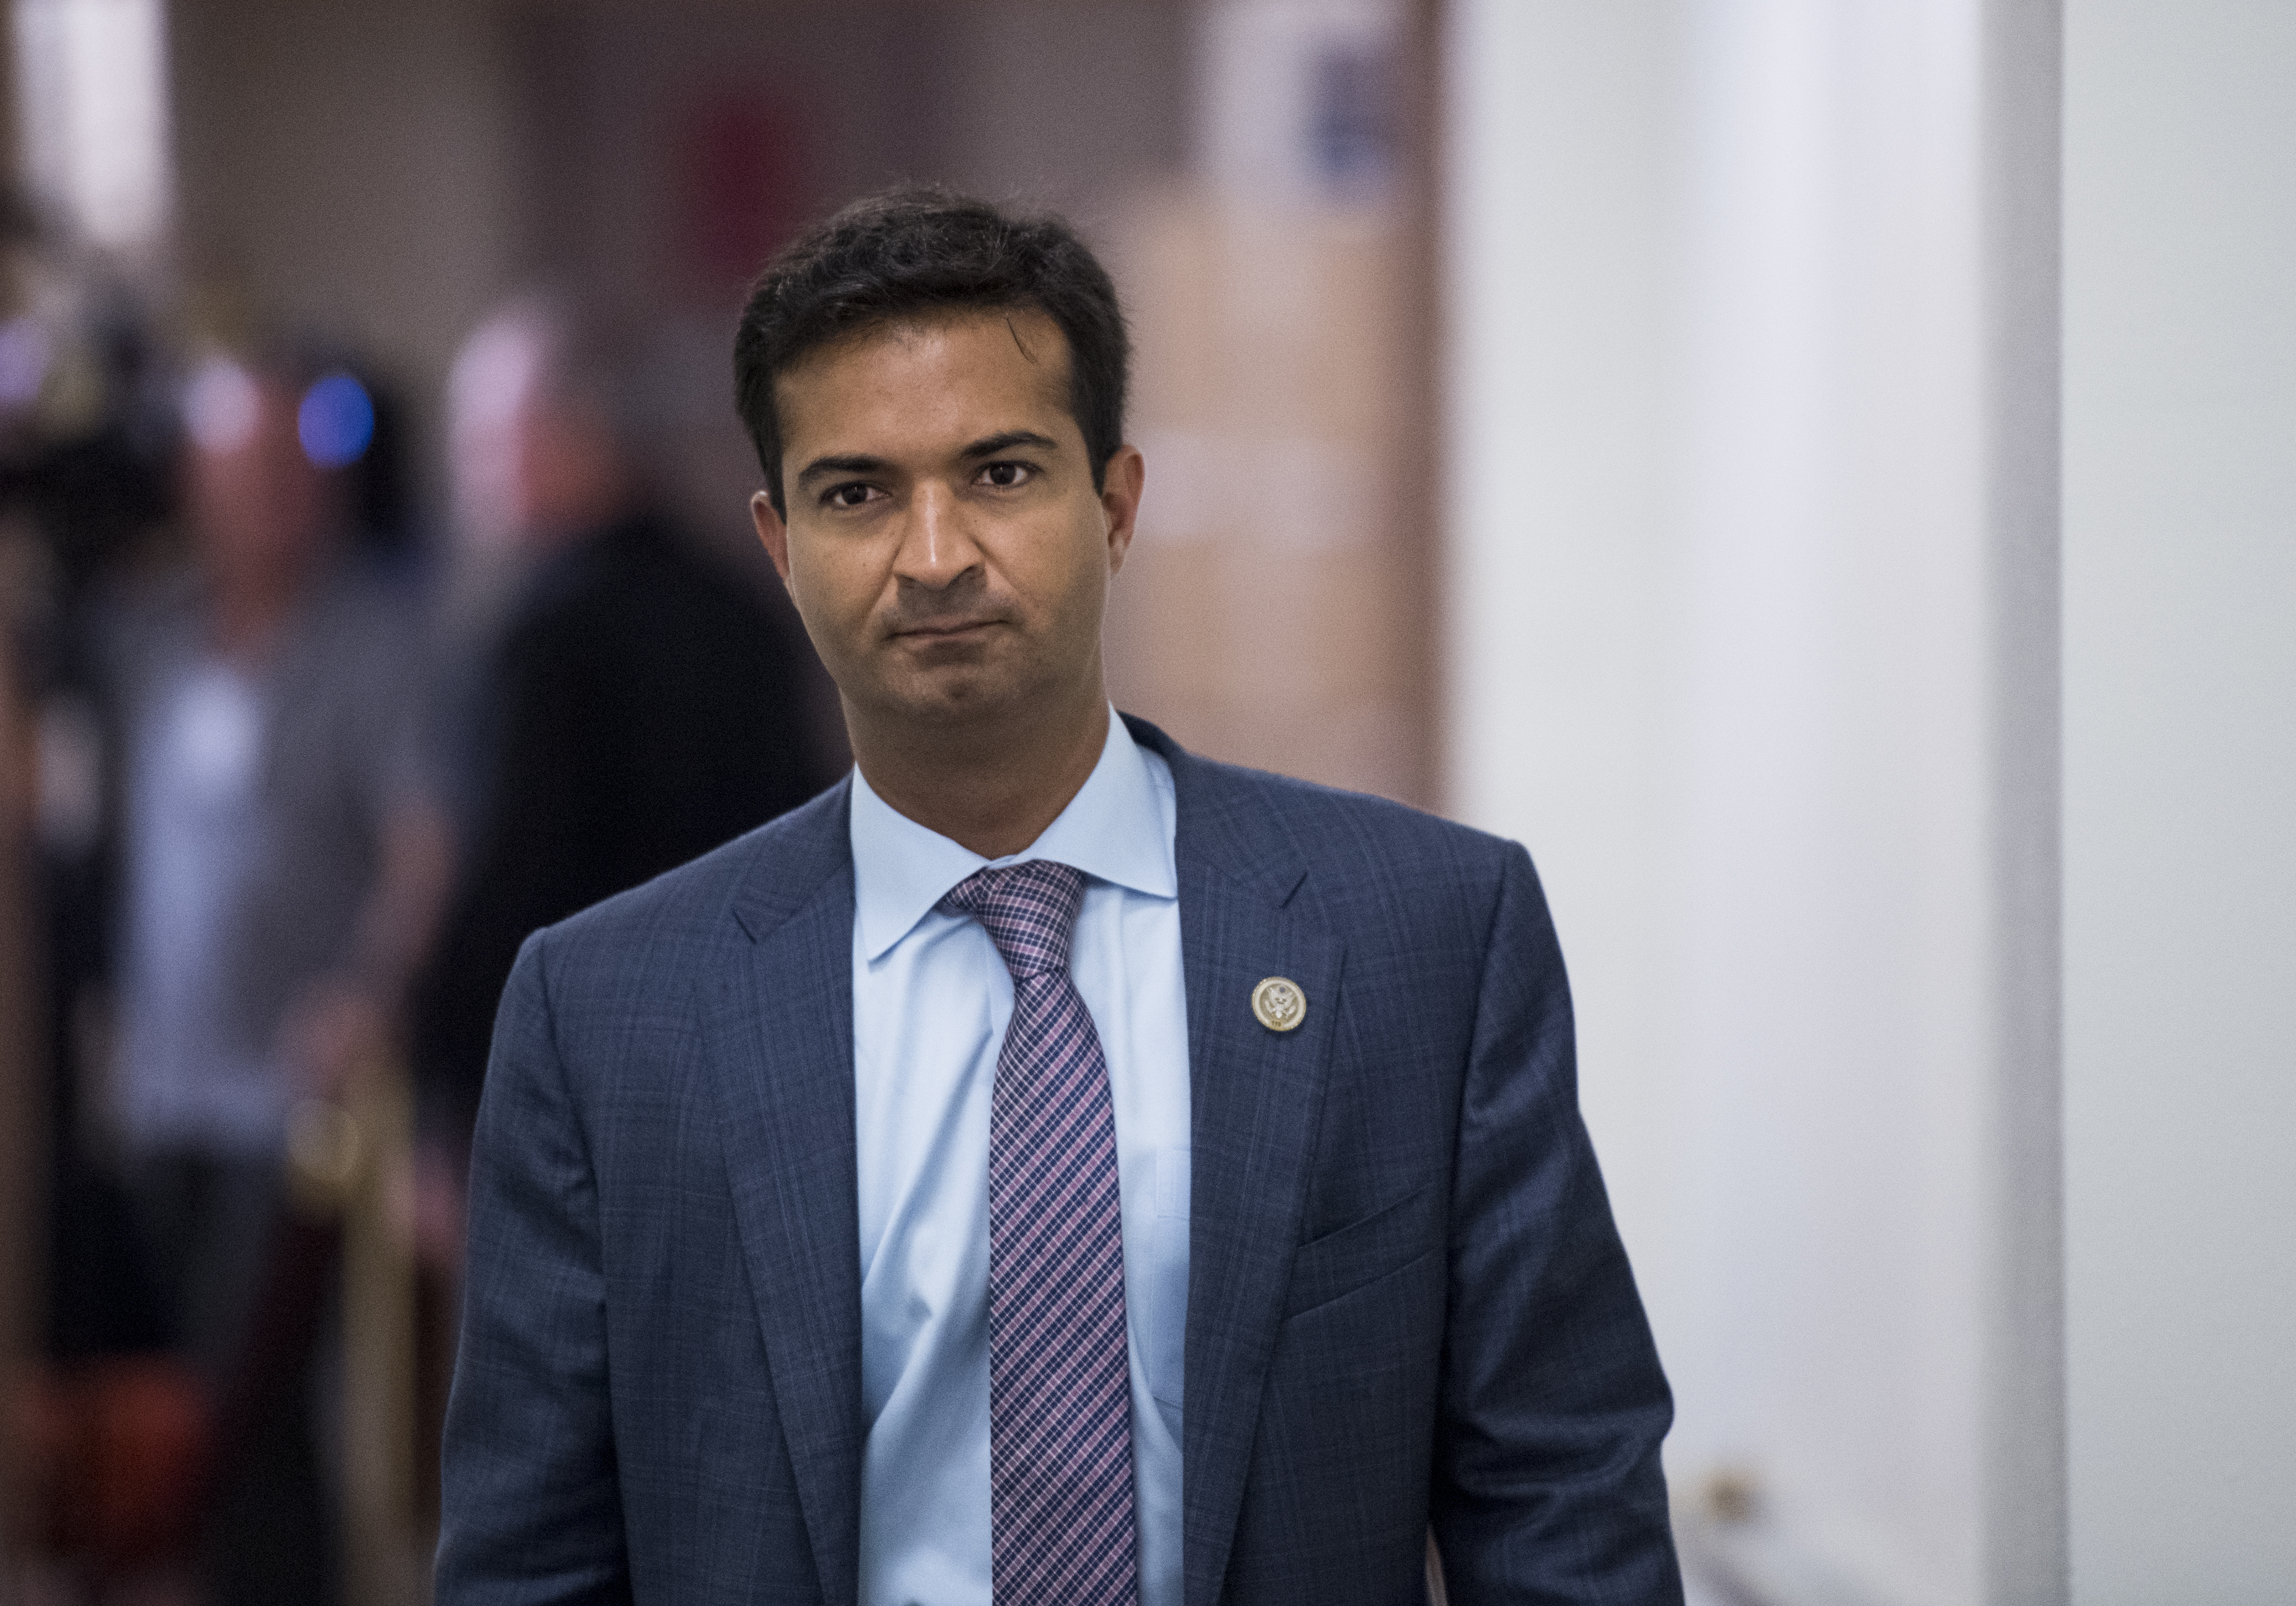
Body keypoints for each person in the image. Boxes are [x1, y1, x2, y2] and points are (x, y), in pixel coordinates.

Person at [436, 189, 1679, 1605]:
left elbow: (1560, 1504)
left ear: (1116, 504)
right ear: (779, 548)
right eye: (856, 494)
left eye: (1000, 474)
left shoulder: (1424, 943)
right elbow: (527, 1568)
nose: (935, 554)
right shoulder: (606, 1016)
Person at [100, 345, 450, 1602]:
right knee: (184, 1400)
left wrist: (366, 994)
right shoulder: (151, 637)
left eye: (294, 473)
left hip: (290, 1109)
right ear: (198, 482)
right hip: (161, 1089)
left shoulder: (375, 643)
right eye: (246, 472)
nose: (273, 500)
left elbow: (427, 852)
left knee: (258, 1421)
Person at [408, 298, 826, 1208]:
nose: (468, 468)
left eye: (487, 437)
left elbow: (507, 893)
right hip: (743, 1088)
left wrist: (441, 1097)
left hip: (570, 1106)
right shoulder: (748, 612)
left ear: (573, 437)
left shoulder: (548, 633)